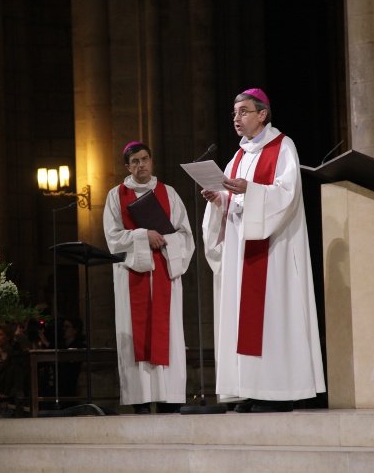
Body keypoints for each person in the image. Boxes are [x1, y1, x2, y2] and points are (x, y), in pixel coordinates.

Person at [201, 88, 325, 413]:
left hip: (274, 251)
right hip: (244, 252)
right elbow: (233, 199)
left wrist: (250, 191)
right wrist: (220, 200)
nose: (236, 119)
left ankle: (279, 392)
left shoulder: (283, 147)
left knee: (273, 318)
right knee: (245, 320)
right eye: (234, 113)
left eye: (243, 111)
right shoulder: (238, 157)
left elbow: (287, 193)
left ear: (262, 114)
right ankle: (251, 390)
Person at [103, 141, 194, 414]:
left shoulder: (169, 193)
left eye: (145, 159)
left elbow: (186, 235)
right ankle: (140, 399)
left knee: (168, 334)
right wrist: (144, 235)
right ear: (127, 166)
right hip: (132, 274)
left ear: (152, 161)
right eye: (135, 161)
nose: (141, 165)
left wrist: (163, 239)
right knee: (135, 334)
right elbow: (113, 238)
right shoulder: (115, 196)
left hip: (165, 272)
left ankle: (170, 398)